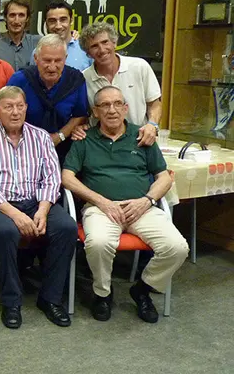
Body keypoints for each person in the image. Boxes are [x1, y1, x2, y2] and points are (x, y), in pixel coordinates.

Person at [62, 86, 188, 323]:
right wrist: (100, 201)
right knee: (99, 243)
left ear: (126, 108)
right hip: (100, 209)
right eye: (105, 105)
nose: (112, 110)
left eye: (118, 103)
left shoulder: (142, 136)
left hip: (141, 207)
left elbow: (163, 177)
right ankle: (103, 293)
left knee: (177, 247)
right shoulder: (84, 139)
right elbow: (67, 177)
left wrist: (147, 200)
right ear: (95, 112)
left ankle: (143, 288)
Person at [0, 86, 77, 329]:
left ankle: (50, 299)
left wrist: (42, 210)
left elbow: (52, 179)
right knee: (5, 232)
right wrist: (16, 215)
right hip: (0, 206)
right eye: (8, 107)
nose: (15, 112)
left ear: (26, 108)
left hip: (36, 202)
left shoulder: (41, 137)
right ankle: (11, 301)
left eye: (20, 106)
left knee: (66, 228)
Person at [77, 22, 162, 147]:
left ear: (115, 43)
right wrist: (79, 128)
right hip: (103, 145)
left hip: (140, 141)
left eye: (105, 42)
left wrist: (152, 125)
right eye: (94, 46)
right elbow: (85, 116)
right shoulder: (84, 78)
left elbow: (155, 104)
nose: (101, 50)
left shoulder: (139, 66)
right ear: (88, 53)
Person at [7, 34, 89, 163]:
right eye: (47, 60)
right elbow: (6, 112)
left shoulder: (76, 80)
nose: (52, 67)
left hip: (63, 149)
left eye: (58, 61)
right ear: (36, 58)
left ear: (65, 59)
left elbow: (80, 115)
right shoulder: (20, 79)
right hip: (23, 149)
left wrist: (59, 136)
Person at [32, 1, 91, 71]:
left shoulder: (85, 49)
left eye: (63, 20)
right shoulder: (38, 52)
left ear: (71, 20)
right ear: (46, 24)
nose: (58, 26)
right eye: (52, 21)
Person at [0, 0, 40, 71]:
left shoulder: (38, 43)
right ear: (5, 18)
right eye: (12, 15)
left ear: (27, 18)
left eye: (21, 15)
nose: (16, 21)